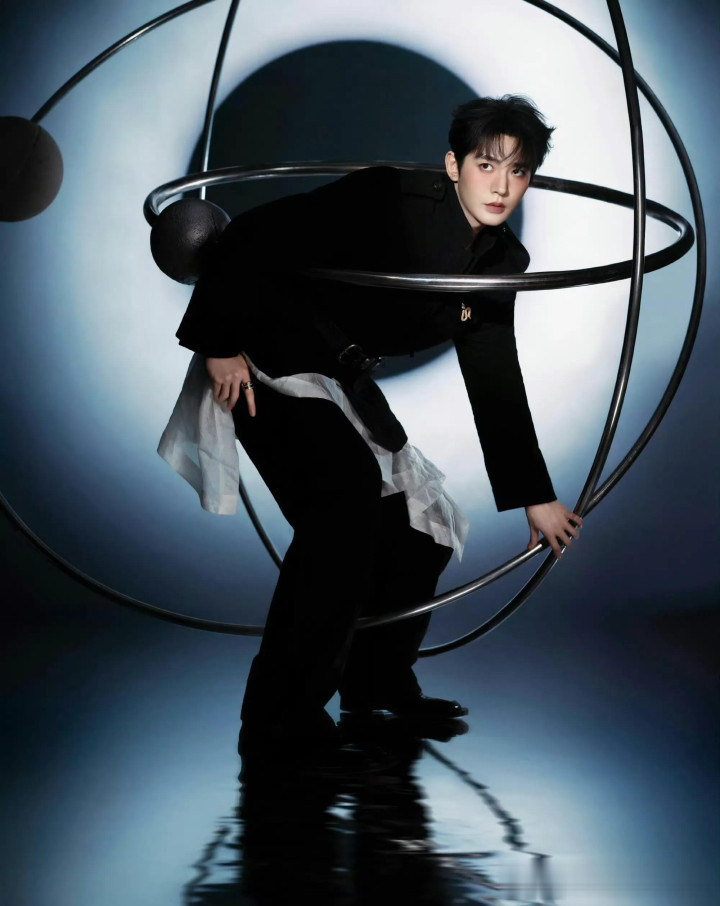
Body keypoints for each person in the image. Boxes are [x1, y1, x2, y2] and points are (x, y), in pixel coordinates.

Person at [161, 95, 583, 753]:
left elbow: (493, 370)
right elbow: (251, 235)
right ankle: (278, 715)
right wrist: (217, 344)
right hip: (261, 352)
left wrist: (536, 495)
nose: (502, 186)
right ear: (454, 165)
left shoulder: (501, 263)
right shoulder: (390, 196)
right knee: (344, 501)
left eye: (519, 170)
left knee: (420, 528)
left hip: (338, 376)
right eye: (486, 165)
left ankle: (376, 682)